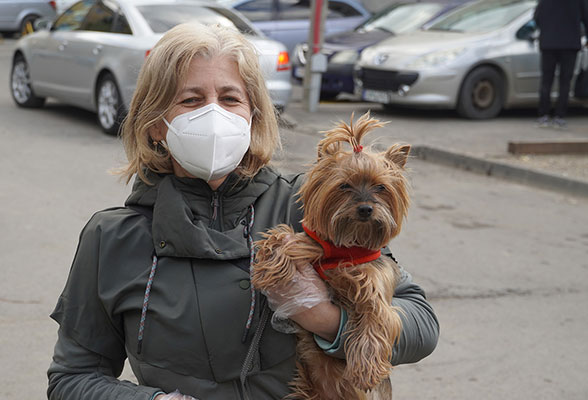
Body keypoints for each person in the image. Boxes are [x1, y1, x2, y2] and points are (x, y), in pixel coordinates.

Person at [46, 23, 439, 400]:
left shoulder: (312, 206)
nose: (214, 115)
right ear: (155, 124)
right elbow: (73, 379)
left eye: (230, 98)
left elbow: (421, 327)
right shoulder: (112, 237)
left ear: (254, 117)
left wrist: (322, 318)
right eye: (191, 99)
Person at [534, 0, 588, 129]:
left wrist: (547, 29)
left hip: (548, 44)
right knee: (565, 82)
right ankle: (560, 117)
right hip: (570, 44)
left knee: (546, 81)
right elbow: (586, 17)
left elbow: (537, 17)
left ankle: (543, 116)